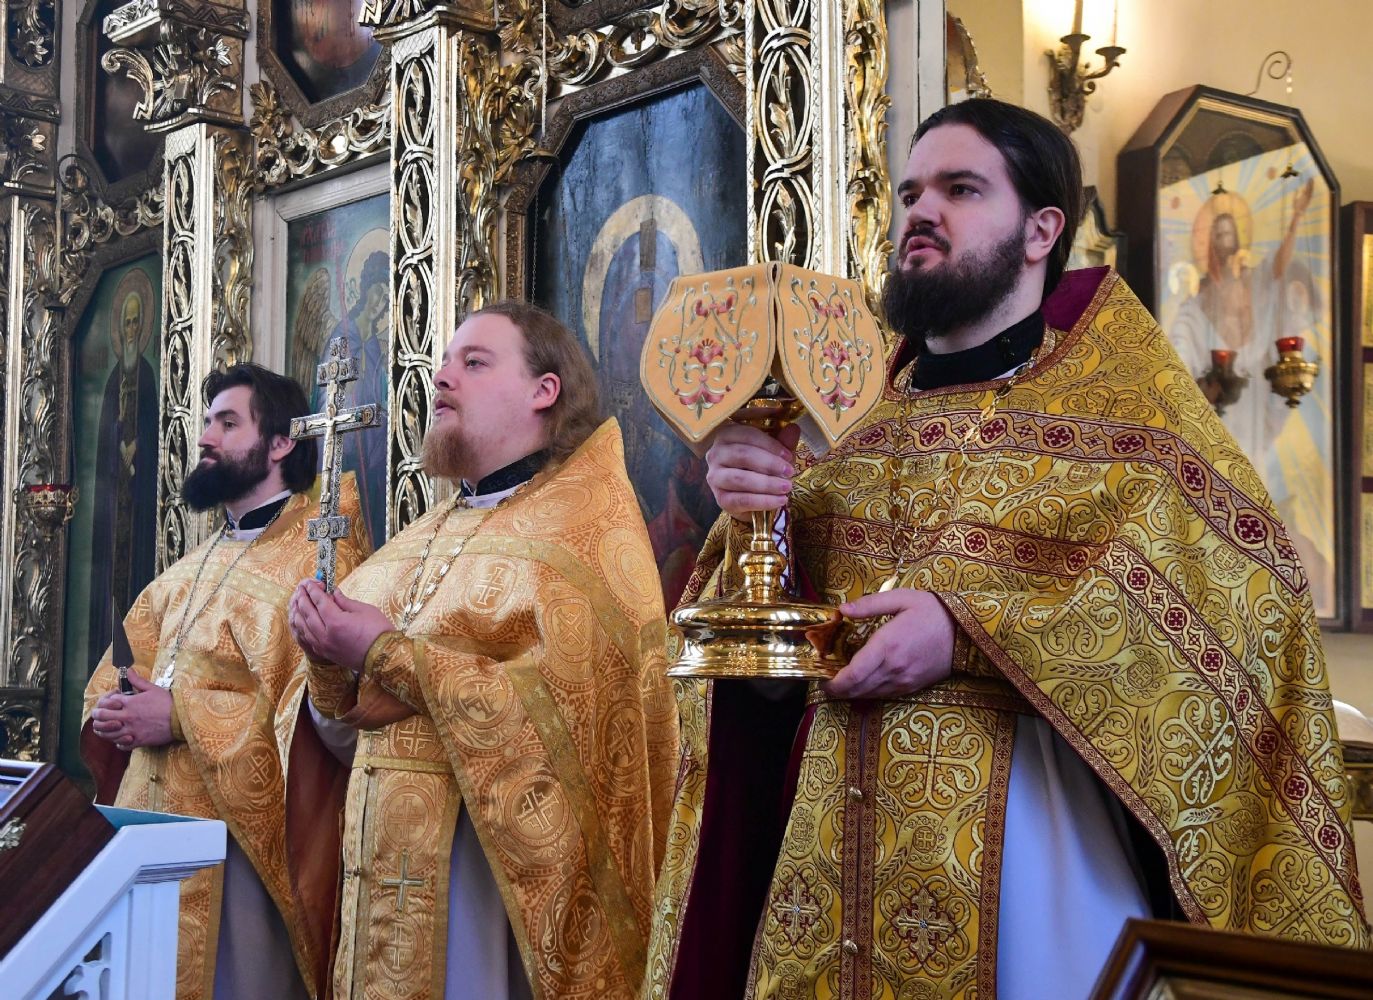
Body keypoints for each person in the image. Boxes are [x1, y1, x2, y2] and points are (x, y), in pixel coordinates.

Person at [643, 98, 1368, 1000]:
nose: (920, 212)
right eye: (910, 193)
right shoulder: (849, 429)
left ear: (1040, 229)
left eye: (959, 189)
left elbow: (1250, 605)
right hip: (824, 884)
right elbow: (752, 676)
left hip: (1037, 884)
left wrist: (968, 636)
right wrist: (756, 519)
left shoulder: (1130, 421)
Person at [285, 301, 679, 1000]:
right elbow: (342, 741)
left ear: (543, 390)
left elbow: (575, 727)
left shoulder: (583, 535)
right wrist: (325, 659)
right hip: (375, 886)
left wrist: (381, 651)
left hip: (484, 905)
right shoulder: (418, 540)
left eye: (473, 362)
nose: (442, 379)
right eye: (441, 364)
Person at [82, 363, 371, 1000]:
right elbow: (122, 665)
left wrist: (181, 716)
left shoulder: (318, 555)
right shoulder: (189, 567)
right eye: (208, 421)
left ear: (280, 443)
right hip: (144, 846)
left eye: (227, 422)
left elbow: (321, 718)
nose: (206, 436)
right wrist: (113, 706)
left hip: (239, 862)